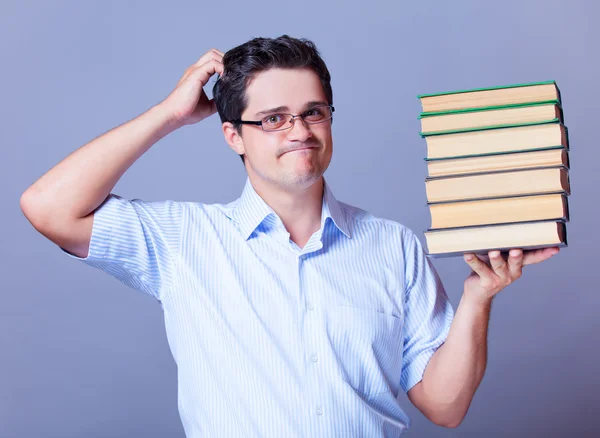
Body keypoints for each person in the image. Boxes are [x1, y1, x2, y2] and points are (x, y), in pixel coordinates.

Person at [20, 35, 559, 437]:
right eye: (273, 119)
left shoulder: (393, 246)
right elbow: (48, 208)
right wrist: (168, 115)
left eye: (312, 113)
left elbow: (445, 406)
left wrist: (479, 294)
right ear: (233, 136)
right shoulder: (184, 240)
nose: (299, 131)